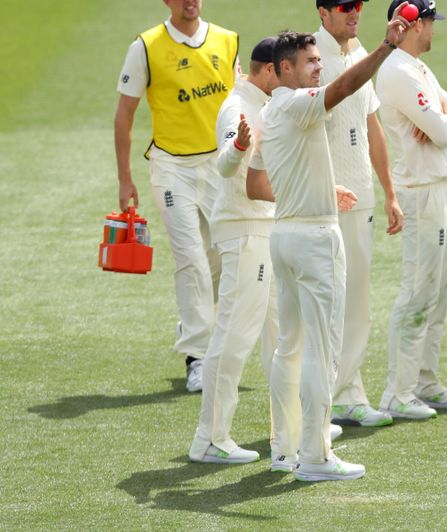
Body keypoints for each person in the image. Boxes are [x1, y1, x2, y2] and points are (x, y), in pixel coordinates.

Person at [244, 12, 412, 482]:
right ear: (284, 69)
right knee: (321, 350)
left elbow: (256, 185)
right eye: (310, 62)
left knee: (290, 349)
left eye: (320, 60)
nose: (319, 67)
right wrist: (386, 46)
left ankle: (284, 450)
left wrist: (318, 187)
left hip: (285, 236)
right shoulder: (300, 103)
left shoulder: (268, 112)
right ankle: (316, 457)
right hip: (316, 240)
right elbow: (345, 88)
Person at [114, 0, 240, 393]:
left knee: (221, 258)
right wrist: (125, 179)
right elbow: (124, 114)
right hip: (172, 168)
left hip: (219, 164)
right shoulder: (146, 47)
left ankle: (191, 322)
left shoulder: (227, 41)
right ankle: (197, 357)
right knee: (191, 260)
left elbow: (241, 103)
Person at [375, 0, 447, 420]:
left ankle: (426, 382)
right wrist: (442, 121)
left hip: (437, 186)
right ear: (416, 25)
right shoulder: (398, 71)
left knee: (439, 288)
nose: (435, 30)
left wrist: (443, 118)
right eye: (431, 22)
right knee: (418, 289)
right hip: (419, 190)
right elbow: (446, 134)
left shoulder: (418, 68)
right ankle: (398, 392)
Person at [311, 0, 405, 429]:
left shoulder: (360, 51)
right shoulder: (311, 58)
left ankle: (348, 394)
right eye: (345, 6)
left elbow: (373, 127)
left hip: (361, 196)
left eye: (359, 5)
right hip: (326, 200)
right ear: (323, 12)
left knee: (358, 302)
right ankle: (324, 399)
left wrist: (389, 193)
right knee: (329, 301)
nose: (354, 13)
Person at [188, 37, 280, 465]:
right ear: (270, 70)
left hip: (264, 229)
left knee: (281, 335)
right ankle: (210, 438)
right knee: (234, 335)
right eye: (287, 67)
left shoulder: (265, 102)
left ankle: (290, 425)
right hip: (244, 232)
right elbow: (226, 164)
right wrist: (240, 145)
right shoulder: (237, 107)